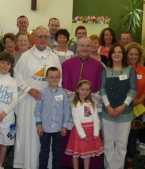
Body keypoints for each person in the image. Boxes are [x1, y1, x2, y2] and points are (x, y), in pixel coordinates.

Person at [13, 26, 62, 169]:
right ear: (34, 38)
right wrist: (28, 89)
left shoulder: (54, 57)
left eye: (45, 37)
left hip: (48, 104)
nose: (42, 39)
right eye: (39, 36)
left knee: (47, 137)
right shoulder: (25, 56)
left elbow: (60, 79)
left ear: (48, 39)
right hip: (29, 102)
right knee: (30, 135)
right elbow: (17, 76)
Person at [62, 37, 103, 169]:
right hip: (72, 106)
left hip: (89, 108)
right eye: (82, 46)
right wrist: (76, 102)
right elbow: (65, 88)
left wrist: (87, 102)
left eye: (87, 46)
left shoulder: (98, 65)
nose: (85, 48)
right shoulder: (67, 64)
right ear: (77, 47)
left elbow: (98, 89)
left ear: (92, 48)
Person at [100, 44, 137, 169]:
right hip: (107, 113)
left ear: (123, 55)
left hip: (125, 113)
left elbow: (133, 90)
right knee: (108, 143)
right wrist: (108, 106)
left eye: (119, 52)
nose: (117, 54)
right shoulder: (105, 70)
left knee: (121, 144)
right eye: (114, 52)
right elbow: (102, 90)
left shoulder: (130, 70)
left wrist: (123, 106)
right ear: (110, 55)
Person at [34, 67, 69, 169]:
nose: (54, 79)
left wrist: (65, 126)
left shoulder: (63, 94)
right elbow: (37, 111)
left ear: (60, 78)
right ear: (46, 78)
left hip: (59, 129)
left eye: (56, 77)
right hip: (45, 129)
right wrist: (39, 125)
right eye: (51, 77)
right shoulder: (42, 93)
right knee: (44, 152)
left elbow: (66, 111)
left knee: (57, 152)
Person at [65, 80, 104, 169]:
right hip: (79, 132)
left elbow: (96, 119)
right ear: (78, 90)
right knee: (75, 154)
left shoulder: (92, 103)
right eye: (82, 89)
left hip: (90, 130)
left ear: (90, 91)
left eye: (87, 90)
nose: (84, 92)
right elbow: (76, 121)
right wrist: (82, 135)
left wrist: (96, 133)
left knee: (88, 153)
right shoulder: (74, 104)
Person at [125, 42, 145, 169]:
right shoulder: (122, 68)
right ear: (127, 55)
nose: (133, 57)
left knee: (133, 134)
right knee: (122, 133)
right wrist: (128, 101)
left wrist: (139, 100)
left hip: (137, 107)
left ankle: (130, 158)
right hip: (123, 107)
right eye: (131, 54)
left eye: (136, 54)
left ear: (139, 56)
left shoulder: (144, 70)